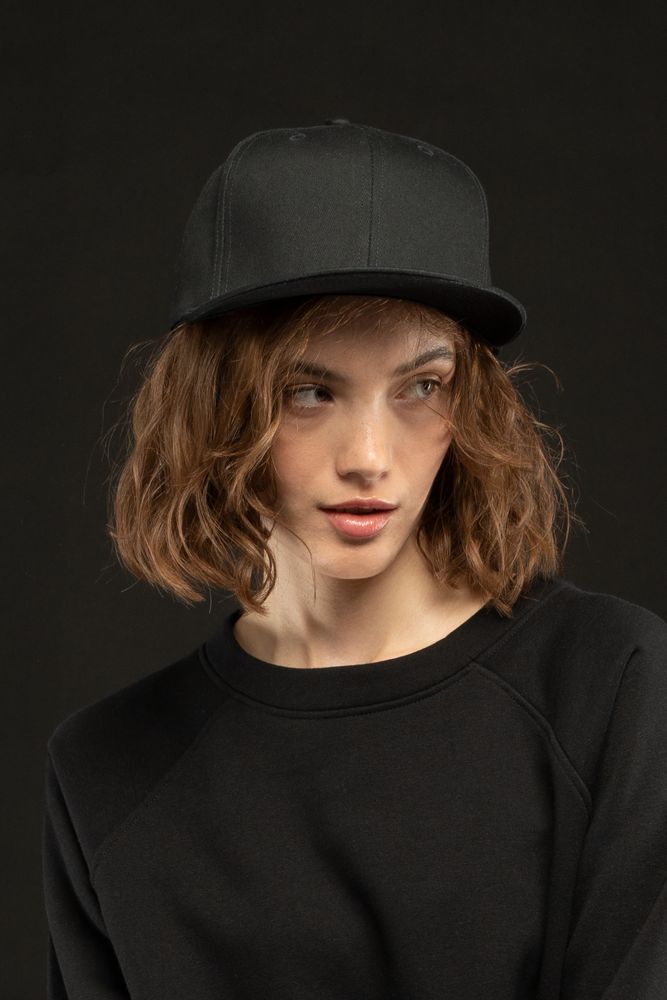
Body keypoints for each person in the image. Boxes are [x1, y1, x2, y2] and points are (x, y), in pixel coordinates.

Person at [42, 120, 667, 999]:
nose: (369, 457)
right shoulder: (107, 770)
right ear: (212, 406)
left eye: (421, 387)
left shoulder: (608, 686)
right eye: (309, 392)